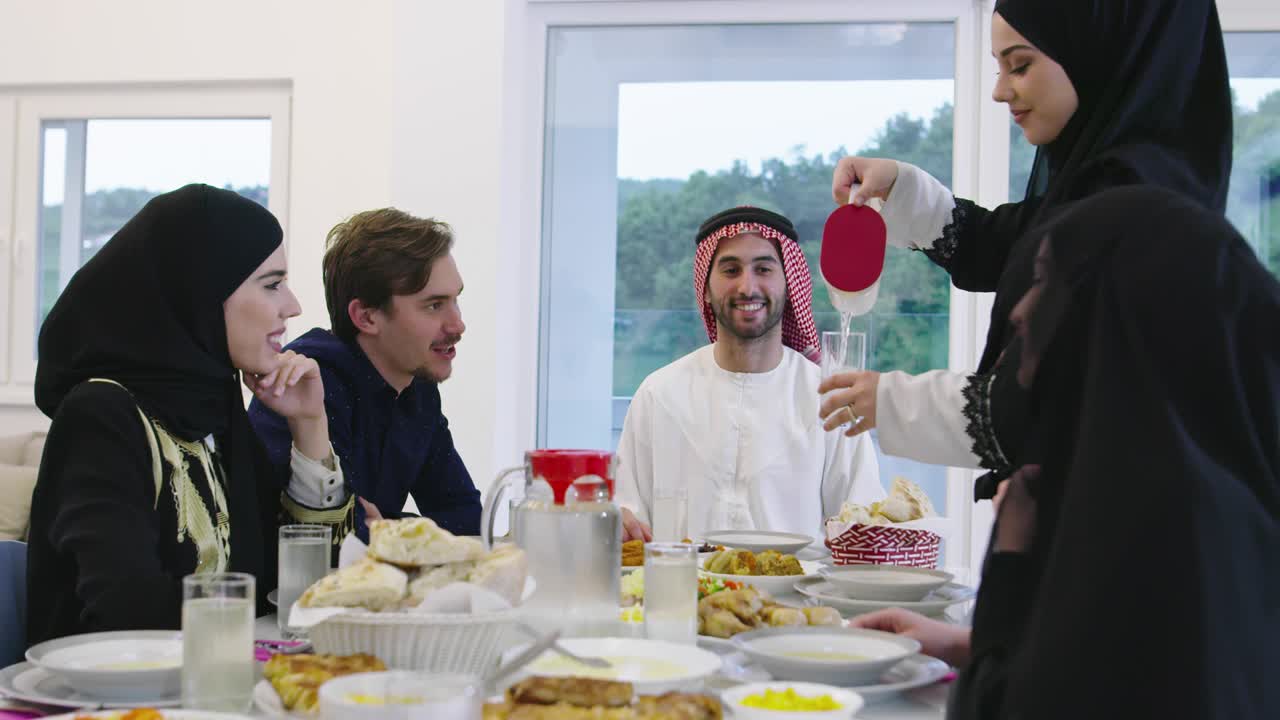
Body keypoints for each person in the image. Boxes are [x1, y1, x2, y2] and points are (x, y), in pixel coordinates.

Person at [855, 186, 1280, 718]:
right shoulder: (1194, 496)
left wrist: (1011, 562)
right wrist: (961, 643)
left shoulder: (1146, 518)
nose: (1022, 309)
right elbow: (1112, 667)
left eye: (1049, 282)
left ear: (1131, 313)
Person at [818, 0, 1233, 498]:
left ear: (1097, 56)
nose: (999, 91)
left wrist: (889, 401)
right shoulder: (1108, 192)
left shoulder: (1134, 217)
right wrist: (899, 186)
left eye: (1020, 64)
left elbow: (1047, 401)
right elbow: (1008, 244)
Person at [26, 184, 346, 644]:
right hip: (117, 703)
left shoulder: (215, 408)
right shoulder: (102, 416)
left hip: (216, 686)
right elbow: (127, 613)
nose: (292, 305)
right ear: (202, 292)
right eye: (273, 284)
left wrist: (310, 426)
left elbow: (309, 590)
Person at [615, 206, 883, 542]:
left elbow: (863, 527)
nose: (747, 287)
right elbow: (629, 523)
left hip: (798, 595)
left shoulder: (829, 399)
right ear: (706, 288)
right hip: (682, 594)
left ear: (789, 283)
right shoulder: (659, 394)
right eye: (730, 270)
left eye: (764, 269)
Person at [249, 209, 480, 542]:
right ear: (366, 317)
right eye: (434, 305)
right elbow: (325, 540)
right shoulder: (304, 387)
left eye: (455, 300)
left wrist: (389, 528)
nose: (458, 325)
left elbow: (465, 517)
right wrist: (402, 531)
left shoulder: (417, 387)